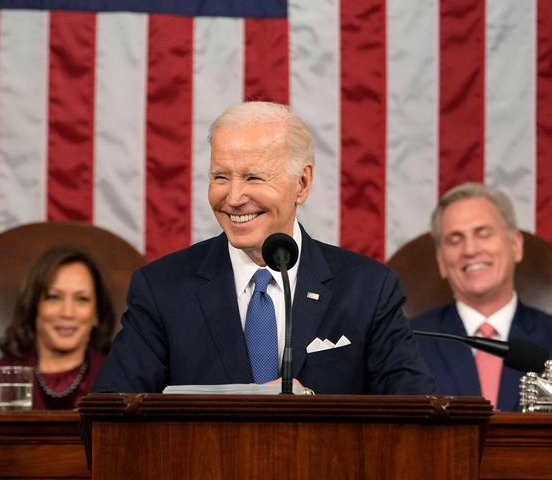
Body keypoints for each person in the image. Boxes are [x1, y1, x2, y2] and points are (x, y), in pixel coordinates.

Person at [93, 101, 435, 395]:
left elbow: (415, 412)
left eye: (254, 178)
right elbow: (113, 415)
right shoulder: (162, 290)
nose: (234, 197)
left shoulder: (368, 289)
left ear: (302, 183)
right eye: (220, 177)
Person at [410, 182, 552, 411]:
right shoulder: (408, 344)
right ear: (441, 261)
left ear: (515, 245)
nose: (470, 250)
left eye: (483, 234)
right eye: (455, 239)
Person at [0, 246, 117, 409]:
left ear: (97, 313)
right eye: (53, 297)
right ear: (33, 306)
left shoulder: (123, 383)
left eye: (82, 299)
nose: (67, 313)